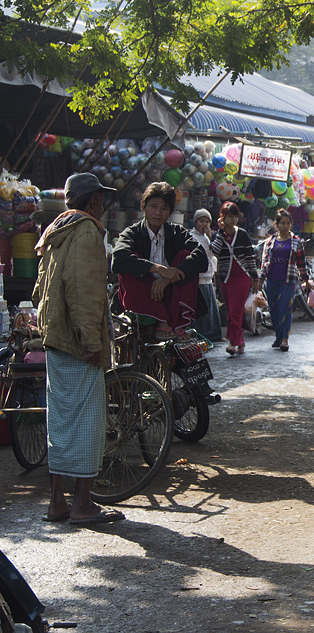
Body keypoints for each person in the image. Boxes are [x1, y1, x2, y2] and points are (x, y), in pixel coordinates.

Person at [33, 173, 124, 525]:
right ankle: (82, 503)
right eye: (100, 199)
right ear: (92, 201)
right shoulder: (86, 231)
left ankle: (57, 501)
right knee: (87, 423)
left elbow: (40, 290)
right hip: (76, 341)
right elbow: (85, 291)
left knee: (60, 422)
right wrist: (91, 341)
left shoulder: (56, 229)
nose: (102, 205)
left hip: (56, 337)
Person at [112, 182, 208, 340]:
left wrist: (166, 278)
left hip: (171, 292)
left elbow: (201, 258)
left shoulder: (177, 233)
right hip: (142, 294)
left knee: (186, 256)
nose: (158, 213)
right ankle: (161, 320)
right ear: (143, 206)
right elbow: (118, 258)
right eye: (153, 206)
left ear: (170, 211)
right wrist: (157, 269)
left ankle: (178, 324)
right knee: (130, 259)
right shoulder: (132, 233)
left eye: (164, 208)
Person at [211, 201, 260, 355]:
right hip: (226, 277)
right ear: (222, 218)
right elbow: (214, 251)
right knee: (232, 309)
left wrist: (255, 277)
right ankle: (240, 341)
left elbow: (250, 256)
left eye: (235, 216)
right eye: (229, 216)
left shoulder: (243, 234)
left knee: (235, 310)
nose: (232, 220)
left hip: (242, 276)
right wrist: (220, 232)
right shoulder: (217, 235)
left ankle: (233, 342)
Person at [260, 211, 311, 352]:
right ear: (276, 224)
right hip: (272, 279)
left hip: (288, 280)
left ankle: (285, 339)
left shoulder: (297, 241)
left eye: (288, 223)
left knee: (286, 309)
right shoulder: (270, 242)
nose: (285, 226)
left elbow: (301, 263)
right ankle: (278, 336)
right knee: (274, 309)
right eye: (282, 223)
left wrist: (306, 280)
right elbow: (264, 262)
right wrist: (260, 278)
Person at [190, 209, 222, 342]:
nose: (204, 224)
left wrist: (210, 237)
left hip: (208, 277)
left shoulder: (207, 237)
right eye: (201, 221)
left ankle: (213, 335)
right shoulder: (192, 237)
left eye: (207, 221)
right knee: (201, 309)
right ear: (195, 222)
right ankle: (201, 336)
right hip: (198, 278)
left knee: (210, 309)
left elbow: (214, 253)